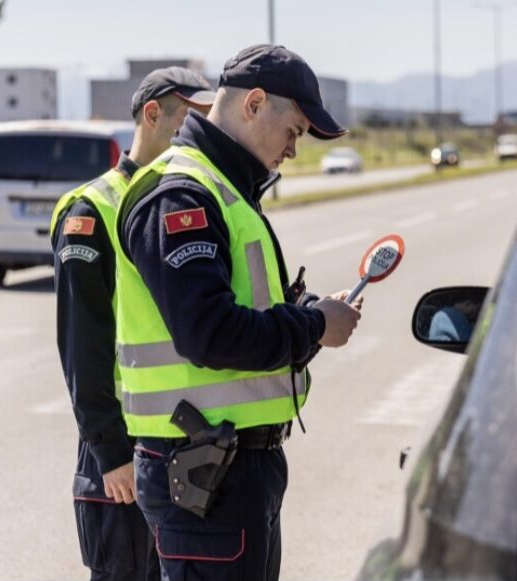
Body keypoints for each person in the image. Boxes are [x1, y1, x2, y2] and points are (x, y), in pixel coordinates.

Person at [113, 44, 362, 581]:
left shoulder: (224, 190)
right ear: (253, 103)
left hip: (228, 470)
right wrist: (314, 325)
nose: (295, 150)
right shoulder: (182, 197)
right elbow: (209, 334)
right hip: (204, 472)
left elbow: (237, 313)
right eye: (294, 131)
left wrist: (303, 314)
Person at [50, 67, 215, 581]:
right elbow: (83, 344)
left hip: (182, 443)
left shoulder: (189, 200)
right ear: (152, 114)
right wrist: (109, 453)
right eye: (192, 118)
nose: (202, 134)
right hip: (122, 449)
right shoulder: (94, 209)